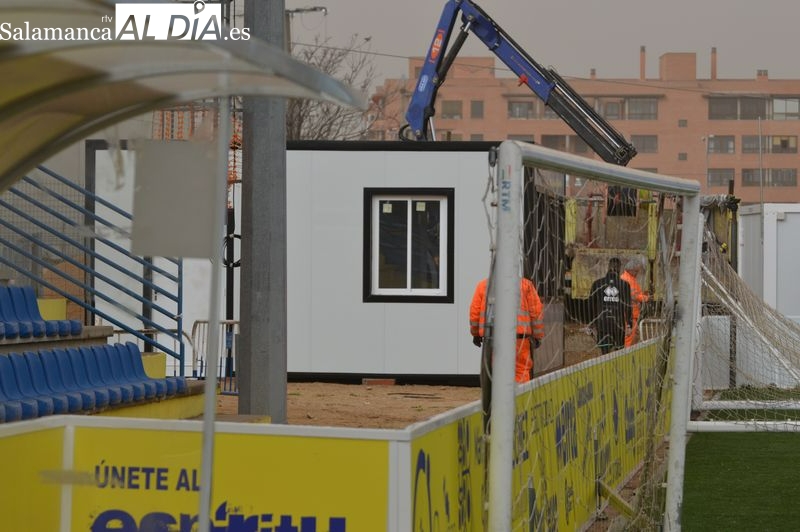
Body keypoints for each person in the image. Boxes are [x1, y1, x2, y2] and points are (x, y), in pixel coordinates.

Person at [469, 276, 544, 383]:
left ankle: (499, 398)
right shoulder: (525, 285)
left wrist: (476, 334)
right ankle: (519, 398)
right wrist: (537, 336)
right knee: (521, 371)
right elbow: (536, 313)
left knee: (496, 371)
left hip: (493, 339)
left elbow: (475, 313)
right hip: (519, 339)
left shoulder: (483, 286)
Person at [589, 257, 632, 354]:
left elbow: (590, 305)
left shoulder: (597, 284)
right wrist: (629, 324)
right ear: (619, 269)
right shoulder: (624, 285)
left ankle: (605, 368)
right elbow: (628, 306)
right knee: (618, 352)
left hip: (603, 324)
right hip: (618, 325)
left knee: (605, 353)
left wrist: (592, 323)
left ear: (608, 267)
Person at [621, 257, 650, 347]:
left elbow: (636, 294)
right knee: (629, 337)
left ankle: (631, 352)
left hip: (633, 314)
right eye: (636, 271)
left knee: (636, 335)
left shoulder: (630, 278)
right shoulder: (626, 279)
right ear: (631, 270)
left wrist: (644, 294)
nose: (637, 274)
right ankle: (625, 353)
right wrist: (646, 298)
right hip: (629, 315)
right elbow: (633, 296)